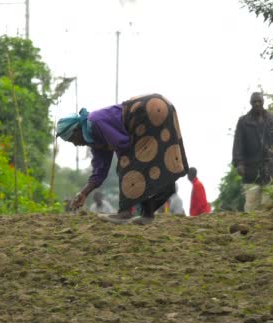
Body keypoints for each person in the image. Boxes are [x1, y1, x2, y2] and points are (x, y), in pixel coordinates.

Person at [56, 93, 189, 225]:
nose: (75, 144)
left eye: (72, 139)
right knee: (159, 163)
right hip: (160, 106)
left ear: (77, 130)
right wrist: (84, 193)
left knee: (127, 164)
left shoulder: (96, 121)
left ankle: (125, 212)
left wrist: (126, 169)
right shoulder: (94, 139)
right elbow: (99, 172)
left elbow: (122, 144)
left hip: (146, 111)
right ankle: (149, 212)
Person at [232, 92, 273, 212]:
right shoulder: (243, 121)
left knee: (269, 204)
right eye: (254, 101)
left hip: (271, 168)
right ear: (250, 103)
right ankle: (250, 229)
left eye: (259, 101)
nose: (257, 104)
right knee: (251, 203)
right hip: (251, 170)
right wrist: (239, 163)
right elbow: (237, 144)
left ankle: (268, 229)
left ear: (263, 102)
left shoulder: (272, 119)